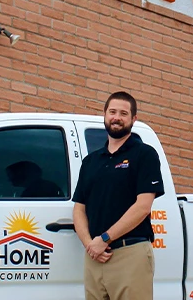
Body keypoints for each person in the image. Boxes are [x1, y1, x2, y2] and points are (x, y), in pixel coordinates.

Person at [72, 91, 165, 299]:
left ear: (133, 119)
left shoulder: (144, 155)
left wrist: (104, 238)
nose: (117, 117)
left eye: (124, 113)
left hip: (129, 254)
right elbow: (79, 208)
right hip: (95, 257)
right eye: (112, 112)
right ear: (104, 115)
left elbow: (143, 207)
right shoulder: (90, 162)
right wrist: (90, 244)